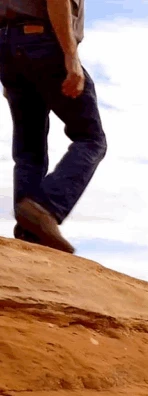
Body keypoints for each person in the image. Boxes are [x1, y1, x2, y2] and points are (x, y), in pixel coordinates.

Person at [1, 0, 107, 254]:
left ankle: (30, 231)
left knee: (29, 149)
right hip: (41, 41)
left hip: (7, 46)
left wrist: (11, 68)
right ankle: (44, 207)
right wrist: (71, 57)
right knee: (91, 139)